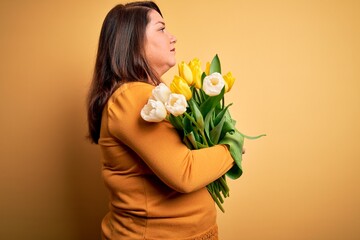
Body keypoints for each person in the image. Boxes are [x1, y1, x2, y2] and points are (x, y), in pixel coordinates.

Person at [87, 1, 242, 239]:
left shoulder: (144, 94)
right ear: (133, 42)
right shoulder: (132, 98)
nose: (173, 37)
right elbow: (185, 173)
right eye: (161, 28)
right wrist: (232, 147)